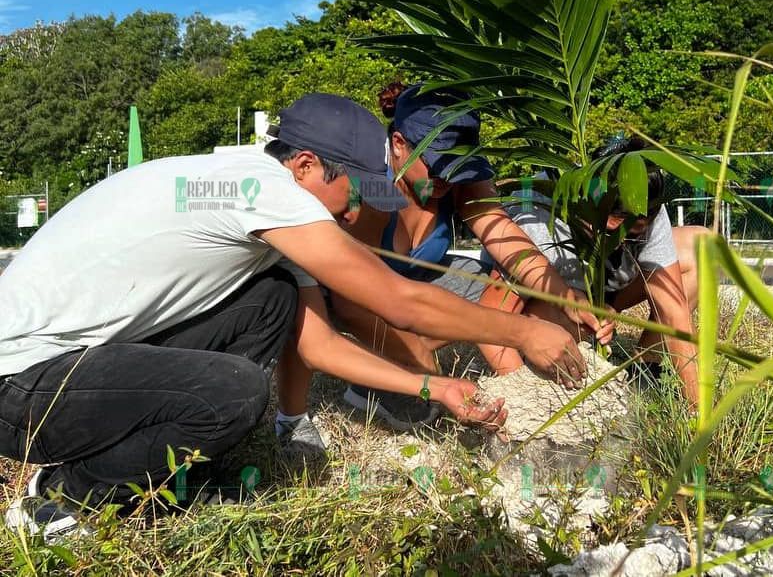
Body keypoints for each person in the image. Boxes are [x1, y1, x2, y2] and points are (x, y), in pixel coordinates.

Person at [0, 93, 586, 540]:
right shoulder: (259, 189)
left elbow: (319, 344)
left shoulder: (259, 199)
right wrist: (525, 329)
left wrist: (435, 387)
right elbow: (398, 301)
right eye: (354, 194)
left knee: (272, 298)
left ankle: (171, 470)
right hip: (21, 384)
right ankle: (60, 495)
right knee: (232, 393)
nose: (357, 211)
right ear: (305, 165)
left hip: (65, 365)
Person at [276, 83, 614, 432]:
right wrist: (421, 362)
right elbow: (357, 301)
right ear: (398, 144)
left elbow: (500, 234)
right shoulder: (366, 190)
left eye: (458, 168)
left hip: (413, 289)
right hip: (359, 294)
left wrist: (561, 294)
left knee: (508, 287)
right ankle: (368, 385)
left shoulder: (461, 181)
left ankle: (514, 382)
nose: (447, 179)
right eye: (437, 167)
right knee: (422, 404)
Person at [505, 135, 704, 407]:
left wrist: (699, 412)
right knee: (576, 323)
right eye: (613, 229)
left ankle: (646, 368)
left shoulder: (642, 198)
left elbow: (674, 310)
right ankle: (573, 359)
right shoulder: (537, 206)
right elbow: (501, 301)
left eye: (633, 233)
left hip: (602, 294)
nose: (620, 243)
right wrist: (511, 382)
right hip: (553, 302)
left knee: (701, 247)